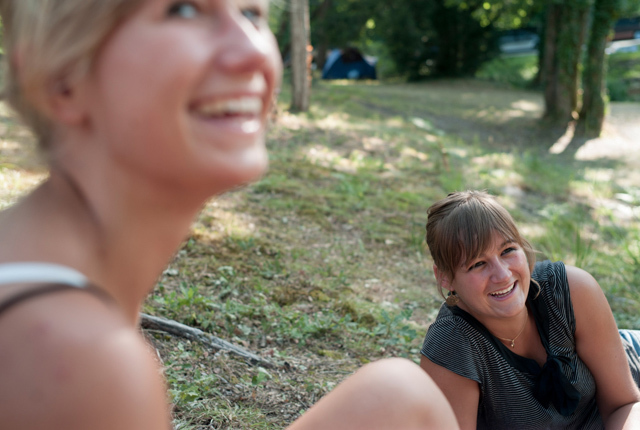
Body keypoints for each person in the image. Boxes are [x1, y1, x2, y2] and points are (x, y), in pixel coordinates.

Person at [0, 1, 459, 429]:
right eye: (183, 10)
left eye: (251, 12)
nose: (251, 52)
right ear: (61, 80)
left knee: (399, 395)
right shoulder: (74, 359)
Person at [420, 190, 640, 430]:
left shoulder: (573, 290)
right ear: (445, 278)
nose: (502, 275)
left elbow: (625, 404)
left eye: (507, 251)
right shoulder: (451, 347)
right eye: (478, 264)